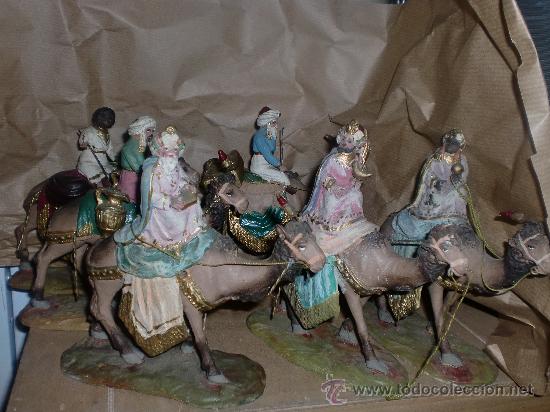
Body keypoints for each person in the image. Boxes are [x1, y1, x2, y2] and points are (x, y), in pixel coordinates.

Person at [285, 120, 377, 330]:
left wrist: (354, 183)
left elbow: (356, 180)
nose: (346, 143)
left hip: (347, 194)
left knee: (356, 196)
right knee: (335, 200)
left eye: (351, 141)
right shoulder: (333, 159)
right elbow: (324, 180)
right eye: (344, 139)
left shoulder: (354, 159)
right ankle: (330, 224)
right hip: (331, 194)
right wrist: (333, 186)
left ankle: (351, 222)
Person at [390, 128, 469, 258]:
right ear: (445, 143)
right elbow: (426, 177)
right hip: (435, 194)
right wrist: (436, 183)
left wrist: (456, 179)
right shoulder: (435, 159)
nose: (451, 146)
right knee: (436, 199)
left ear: (460, 147)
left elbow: (463, 178)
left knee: (459, 195)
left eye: (455, 143)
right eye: (449, 142)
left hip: (452, 196)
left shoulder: (462, 160)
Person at [117, 116, 157, 203]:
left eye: (152, 131)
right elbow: (140, 166)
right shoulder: (133, 145)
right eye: (148, 130)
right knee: (133, 198)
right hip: (132, 178)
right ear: (140, 129)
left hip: (135, 176)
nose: (151, 133)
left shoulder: (139, 144)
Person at [249, 106, 290, 186]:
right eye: (273, 123)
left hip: (267, 164)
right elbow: (267, 154)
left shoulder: (269, 134)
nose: (276, 125)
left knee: (283, 173)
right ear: (267, 122)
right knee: (284, 179)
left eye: (275, 122)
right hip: (259, 166)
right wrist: (279, 165)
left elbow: (271, 148)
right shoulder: (259, 136)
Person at [76, 107, 117, 186]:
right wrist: (84, 144)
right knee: (96, 178)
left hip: (103, 161)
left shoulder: (106, 133)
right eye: (107, 119)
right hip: (89, 161)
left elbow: (109, 149)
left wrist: (114, 159)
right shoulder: (88, 131)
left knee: (111, 173)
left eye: (111, 119)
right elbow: (82, 142)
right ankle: (99, 189)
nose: (110, 121)